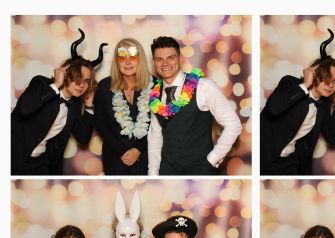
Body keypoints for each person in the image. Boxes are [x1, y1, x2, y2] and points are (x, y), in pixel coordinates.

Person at [11, 29, 103, 174]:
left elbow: (84, 138)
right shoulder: (41, 83)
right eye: (78, 77)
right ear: (66, 73)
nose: (82, 85)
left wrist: (89, 105)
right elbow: (24, 109)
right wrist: (56, 85)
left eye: (86, 81)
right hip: (14, 157)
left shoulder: (75, 104)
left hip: (41, 164)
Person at [260, 31, 335, 174]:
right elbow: (273, 108)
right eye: (327, 77)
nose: (330, 85)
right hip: (264, 158)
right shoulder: (290, 83)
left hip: (290, 163)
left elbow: (333, 139)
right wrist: (305, 85)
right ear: (315, 73)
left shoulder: (324, 104)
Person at [147, 36, 241, 175]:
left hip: (200, 171)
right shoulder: (154, 95)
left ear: (180, 58)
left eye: (171, 58)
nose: (165, 63)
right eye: (159, 59)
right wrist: (153, 174)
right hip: (168, 172)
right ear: (154, 62)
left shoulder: (204, 86)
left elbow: (233, 124)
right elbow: (155, 136)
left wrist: (211, 161)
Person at [94, 37, 151, 175]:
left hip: (148, 157)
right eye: (122, 57)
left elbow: (159, 124)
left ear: (140, 59)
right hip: (116, 158)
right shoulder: (104, 86)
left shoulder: (154, 85)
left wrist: (138, 150)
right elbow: (100, 123)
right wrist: (122, 151)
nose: (127, 62)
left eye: (132, 56)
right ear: (116, 61)